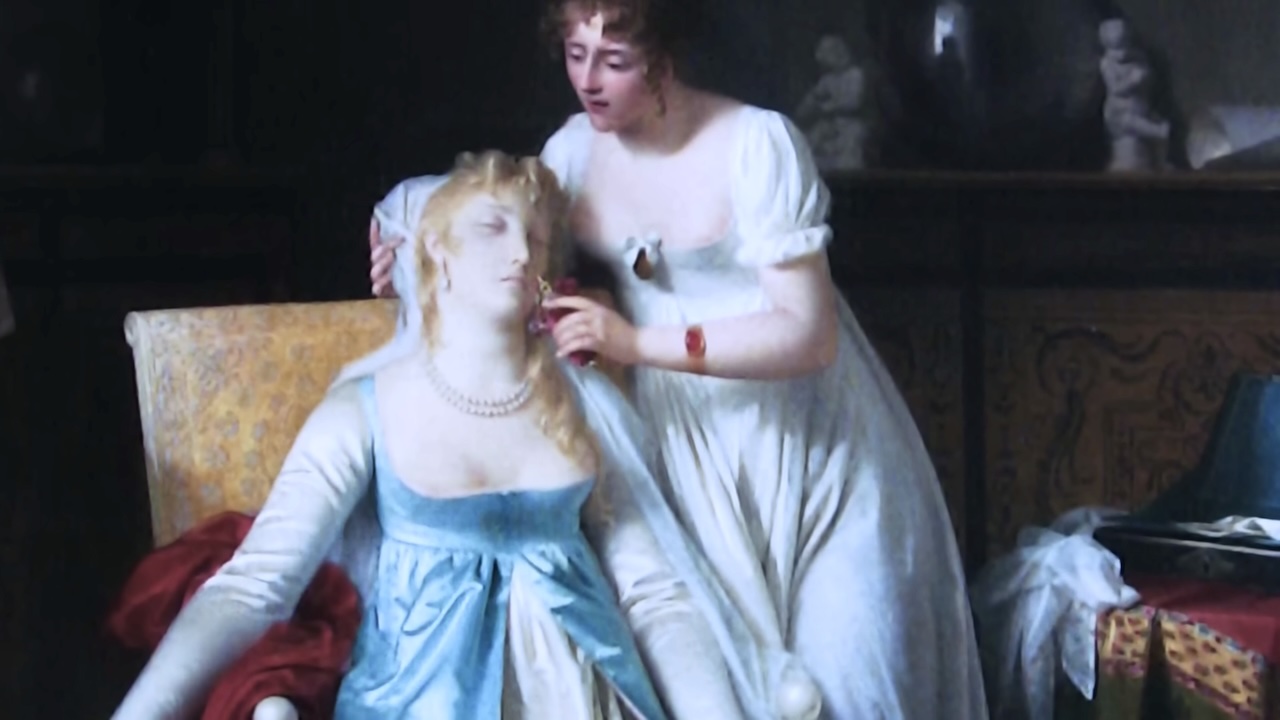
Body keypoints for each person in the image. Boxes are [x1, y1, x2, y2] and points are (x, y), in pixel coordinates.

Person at [368, 2, 988, 717]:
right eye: (575, 54)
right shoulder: (570, 155)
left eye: (615, 61)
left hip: (811, 449)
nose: (588, 80)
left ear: (664, 58)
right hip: (679, 459)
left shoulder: (756, 144)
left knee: (850, 684)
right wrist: (417, 261)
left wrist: (636, 344)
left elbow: (808, 336)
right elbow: (513, 263)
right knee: (730, 685)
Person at [113, 151, 781, 720]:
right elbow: (254, 587)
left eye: (535, 236)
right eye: (492, 227)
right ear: (436, 247)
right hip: (419, 701)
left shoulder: (588, 406)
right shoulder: (365, 409)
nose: (520, 252)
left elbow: (655, 597)